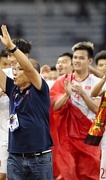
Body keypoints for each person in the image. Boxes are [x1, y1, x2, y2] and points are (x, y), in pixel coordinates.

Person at [0, 21, 53, 180]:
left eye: (19, 70)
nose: (14, 72)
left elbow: (29, 67)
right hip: (14, 156)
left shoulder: (40, 89)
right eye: (14, 69)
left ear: (31, 74)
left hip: (39, 157)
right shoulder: (12, 89)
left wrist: (12, 48)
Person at [50, 41, 101, 180]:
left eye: (81, 58)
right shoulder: (63, 81)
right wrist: (66, 95)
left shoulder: (96, 82)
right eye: (75, 57)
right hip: (67, 137)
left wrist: (83, 94)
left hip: (89, 136)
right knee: (68, 172)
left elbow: (98, 110)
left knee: (89, 174)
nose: (77, 61)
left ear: (89, 61)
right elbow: (53, 107)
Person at [0, 39, 32, 180]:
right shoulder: (1, 75)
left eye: (14, 55)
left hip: (25, 136)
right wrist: (1, 92)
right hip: (3, 134)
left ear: (25, 55)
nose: (12, 59)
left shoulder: (34, 76)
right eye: (9, 55)